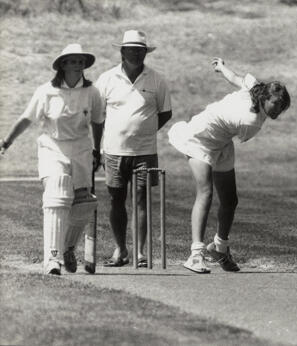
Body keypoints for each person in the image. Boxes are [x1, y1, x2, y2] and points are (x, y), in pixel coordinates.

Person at [168, 57, 290, 273]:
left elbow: (235, 77)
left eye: (282, 106)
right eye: (275, 103)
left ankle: (219, 247)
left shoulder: (256, 88)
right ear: (265, 98)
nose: (278, 110)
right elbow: (240, 124)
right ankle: (195, 255)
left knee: (230, 200)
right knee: (205, 193)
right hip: (199, 138)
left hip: (221, 142)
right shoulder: (250, 123)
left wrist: (221, 67)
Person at [0, 44, 103, 275]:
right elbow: (27, 119)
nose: (78, 65)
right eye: (72, 61)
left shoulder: (92, 92)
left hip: (81, 148)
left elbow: (97, 121)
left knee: (83, 202)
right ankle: (52, 258)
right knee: (58, 189)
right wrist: (6, 141)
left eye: (80, 61)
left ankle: (68, 247)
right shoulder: (46, 91)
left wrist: (98, 149)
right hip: (52, 147)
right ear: (62, 65)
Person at [96, 30, 172, 267]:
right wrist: (96, 147)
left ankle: (140, 252)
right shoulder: (107, 79)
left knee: (141, 201)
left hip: (145, 152)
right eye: (131, 49)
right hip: (113, 151)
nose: (136, 53)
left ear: (145, 52)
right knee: (116, 200)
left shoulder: (156, 79)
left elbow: (165, 112)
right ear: (122, 51)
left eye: (140, 50)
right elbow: (98, 116)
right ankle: (121, 250)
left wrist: (144, 131)